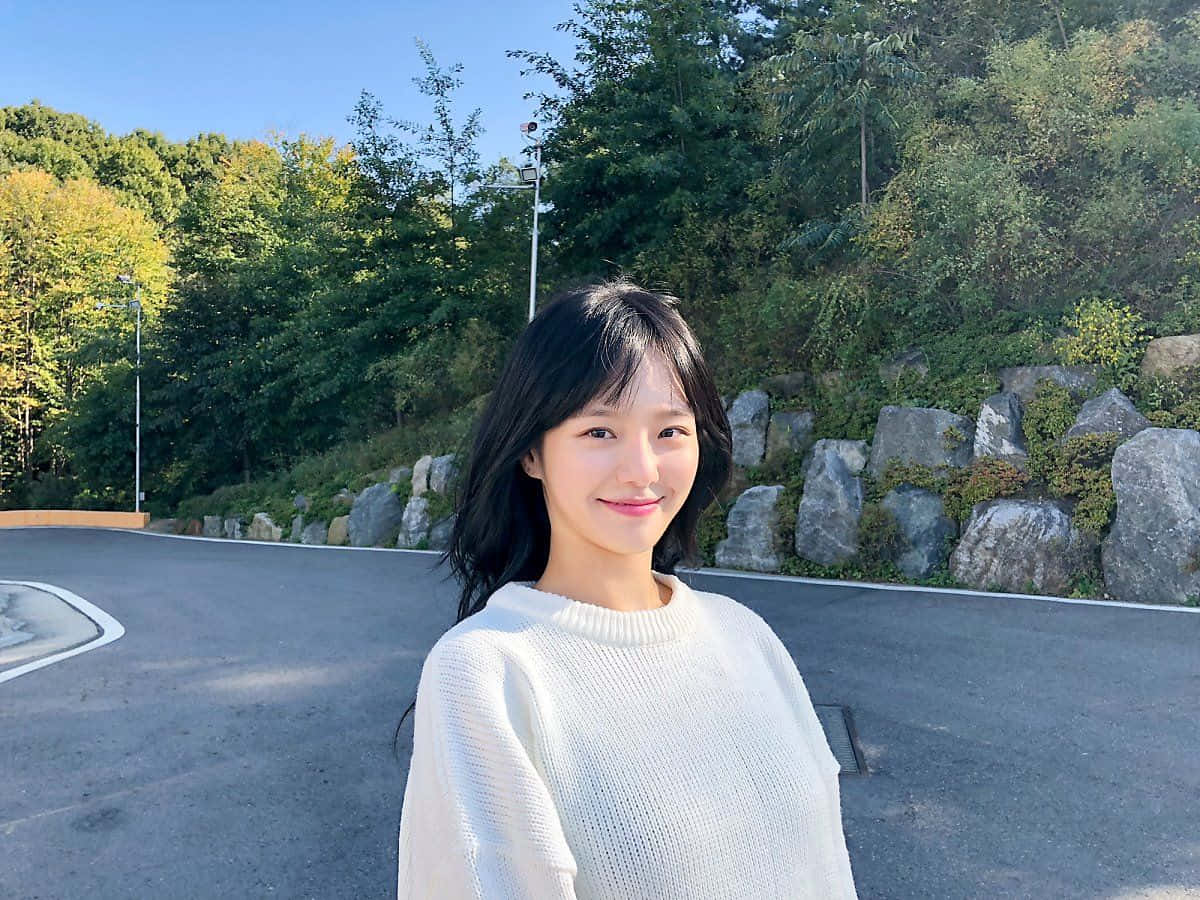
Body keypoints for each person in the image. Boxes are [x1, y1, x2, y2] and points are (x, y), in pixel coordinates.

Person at [394, 278, 859, 899]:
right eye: (599, 432)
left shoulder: (745, 635)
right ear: (532, 453)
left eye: (670, 431)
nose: (642, 470)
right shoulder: (489, 673)